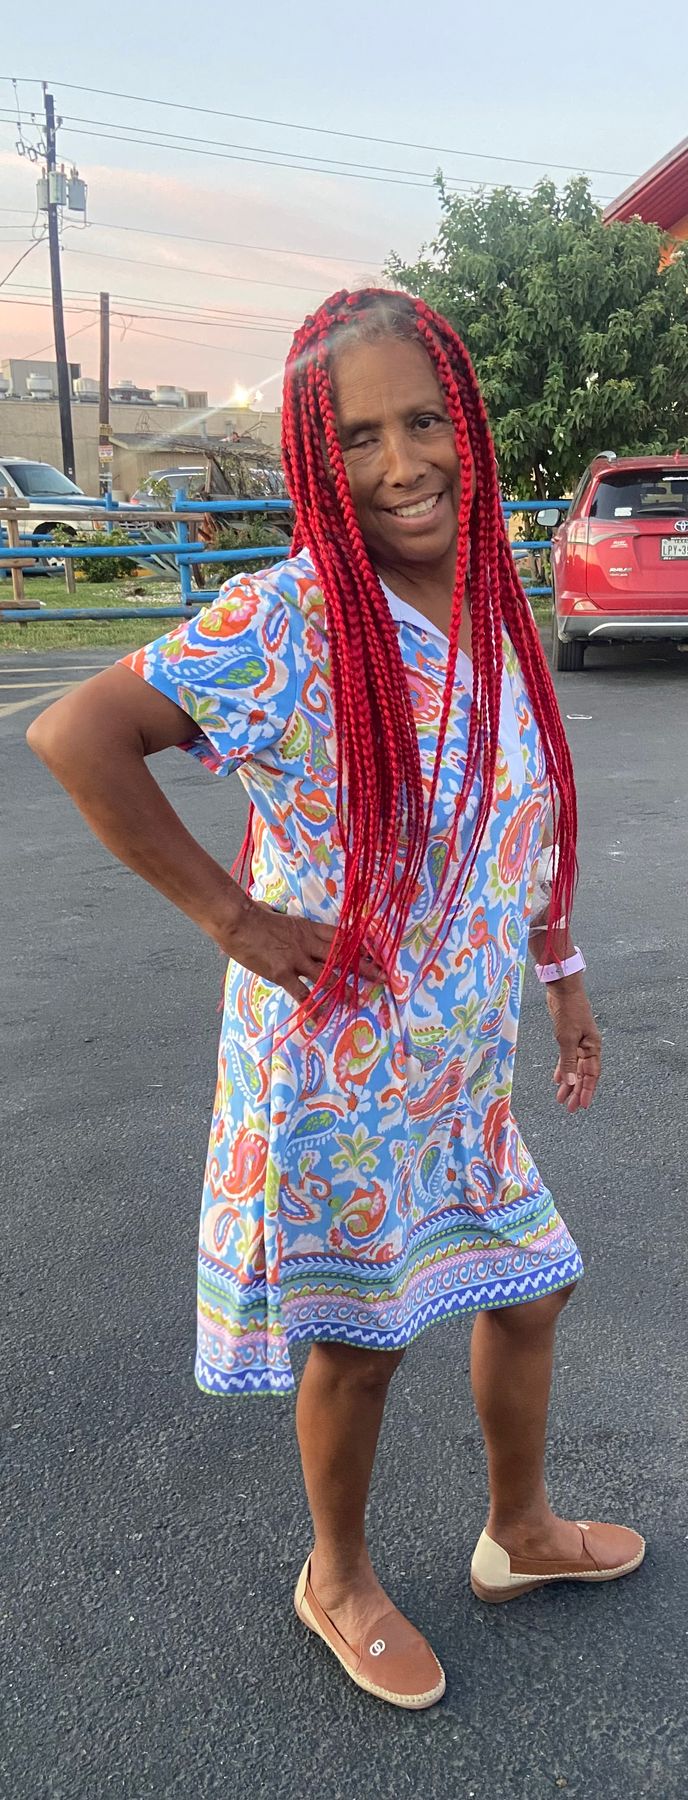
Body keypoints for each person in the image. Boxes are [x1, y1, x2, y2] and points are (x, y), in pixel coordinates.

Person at [27, 289, 644, 1712]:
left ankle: (518, 1533)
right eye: (359, 436)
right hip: (341, 1066)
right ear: (316, 455)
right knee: (359, 1342)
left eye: (424, 421)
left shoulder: (488, 597)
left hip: (461, 1061)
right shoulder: (294, 619)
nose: (403, 463)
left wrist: (561, 980)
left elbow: (521, 810)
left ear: (467, 425)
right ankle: (339, 1577)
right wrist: (236, 918)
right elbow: (79, 731)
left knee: (533, 1286)